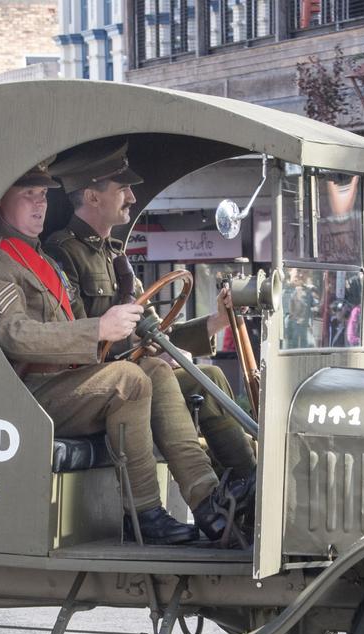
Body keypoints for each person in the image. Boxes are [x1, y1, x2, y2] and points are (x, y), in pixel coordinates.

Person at [0, 162, 250, 546]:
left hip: (66, 378)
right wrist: (98, 330)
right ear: (0, 202)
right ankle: (143, 513)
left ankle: (209, 501)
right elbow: (11, 334)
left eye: (43, 195)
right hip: (27, 392)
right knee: (129, 380)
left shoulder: (40, 258)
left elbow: (94, 327)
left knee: (161, 372)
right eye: (28, 195)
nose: (39, 205)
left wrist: (209, 324)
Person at [45, 142, 256, 484]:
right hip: (99, 384)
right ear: (92, 197)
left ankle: (247, 486)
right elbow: (78, 338)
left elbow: (157, 334)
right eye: (123, 188)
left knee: (212, 378)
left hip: (134, 372)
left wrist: (218, 320)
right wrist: (142, 353)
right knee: (157, 371)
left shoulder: (116, 256)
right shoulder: (63, 253)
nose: (131, 197)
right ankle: (209, 496)